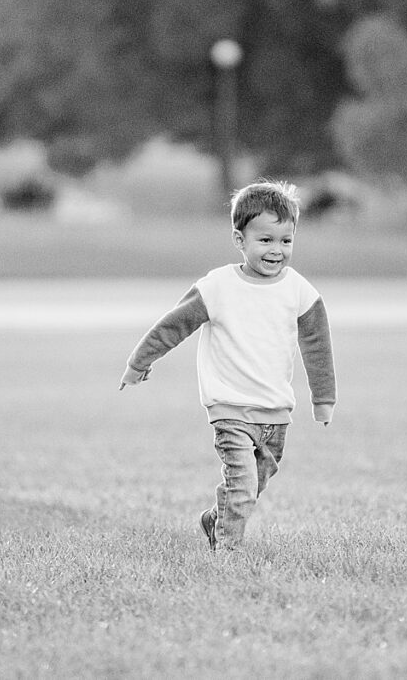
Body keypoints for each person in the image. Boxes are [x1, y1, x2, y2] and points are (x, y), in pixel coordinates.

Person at [119, 180, 336, 551]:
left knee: (254, 484)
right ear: (240, 240)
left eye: (285, 240)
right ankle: (229, 552)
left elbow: (316, 344)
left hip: (275, 413)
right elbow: (174, 324)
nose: (276, 250)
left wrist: (323, 398)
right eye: (265, 240)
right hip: (229, 408)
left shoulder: (299, 291)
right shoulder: (218, 286)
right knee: (242, 485)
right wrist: (139, 361)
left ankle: (215, 520)